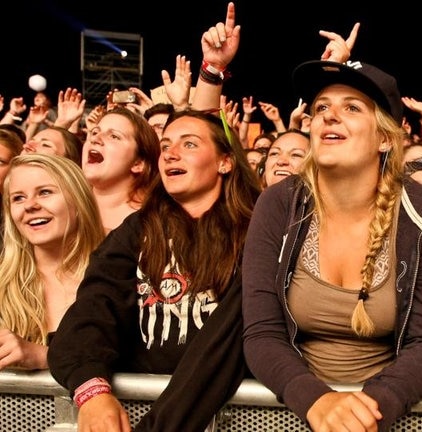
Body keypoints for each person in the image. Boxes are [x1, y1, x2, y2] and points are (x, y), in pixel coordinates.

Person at [48, 6, 260, 431]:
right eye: (165, 145)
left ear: (224, 163)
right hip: (140, 407)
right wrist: (92, 392)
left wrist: (212, 74)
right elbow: (92, 310)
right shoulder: (138, 230)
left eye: (188, 144)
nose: (171, 152)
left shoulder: (256, 229)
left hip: (248, 416)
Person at [241, 58, 422, 432]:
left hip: (386, 417)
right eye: (321, 107)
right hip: (290, 412)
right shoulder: (279, 203)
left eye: (351, 107)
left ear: (385, 138)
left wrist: (370, 409)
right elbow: (262, 332)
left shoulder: (420, 212)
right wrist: (317, 402)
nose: (329, 116)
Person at [0, 154, 104, 370]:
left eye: (45, 192)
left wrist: (45, 356)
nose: (30, 205)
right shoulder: (3, 287)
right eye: (18, 198)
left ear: (78, 200)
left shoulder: (120, 280)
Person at [82, 106, 160, 232]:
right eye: (95, 132)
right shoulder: (64, 209)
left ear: (138, 163)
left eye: (114, 136)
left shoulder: (154, 225)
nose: (94, 139)